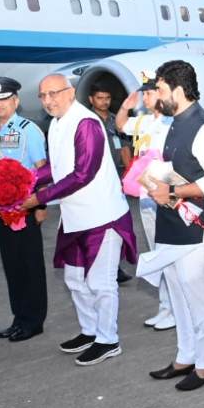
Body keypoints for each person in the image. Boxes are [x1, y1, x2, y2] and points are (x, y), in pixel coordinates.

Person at [19, 74, 137, 366]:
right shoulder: (58, 123)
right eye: (43, 96)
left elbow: (83, 173)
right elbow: (58, 168)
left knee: (101, 282)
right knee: (73, 278)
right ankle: (90, 331)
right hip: (74, 216)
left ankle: (108, 340)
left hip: (102, 215)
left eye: (54, 94)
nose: (48, 101)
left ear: (70, 92)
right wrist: (25, 180)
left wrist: (38, 198)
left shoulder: (86, 123)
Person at [146, 60, 204, 391]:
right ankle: (185, 356)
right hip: (171, 225)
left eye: (162, 90)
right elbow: (182, 168)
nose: (158, 96)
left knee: (200, 297)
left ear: (179, 91)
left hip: (196, 228)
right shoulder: (175, 122)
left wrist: (173, 191)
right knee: (179, 296)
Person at [0, 76, 49, 343]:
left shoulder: (28, 129)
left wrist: (41, 205)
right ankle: (18, 317)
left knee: (29, 264)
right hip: (0, 207)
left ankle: (33, 321)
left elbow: (42, 168)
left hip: (25, 206)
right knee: (11, 264)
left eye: (4, 100)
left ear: (16, 101)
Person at [115, 71, 176, 331]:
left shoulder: (172, 122)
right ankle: (165, 307)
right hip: (145, 196)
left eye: (150, 93)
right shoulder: (141, 121)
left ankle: (176, 308)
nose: (146, 97)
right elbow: (120, 125)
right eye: (145, 93)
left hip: (164, 194)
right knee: (156, 252)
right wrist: (124, 107)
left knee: (170, 253)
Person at [89, 85, 133, 284]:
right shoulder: (86, 121)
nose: (104, 101)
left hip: (115, 181)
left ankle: (114, 267)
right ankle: (95, 265)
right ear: (91, 99)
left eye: (107, 97)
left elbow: (124, 148)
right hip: (94, 182)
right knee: (95, 226)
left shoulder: (117, 121)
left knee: (116, 226)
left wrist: (129, 176)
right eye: (100, 98)